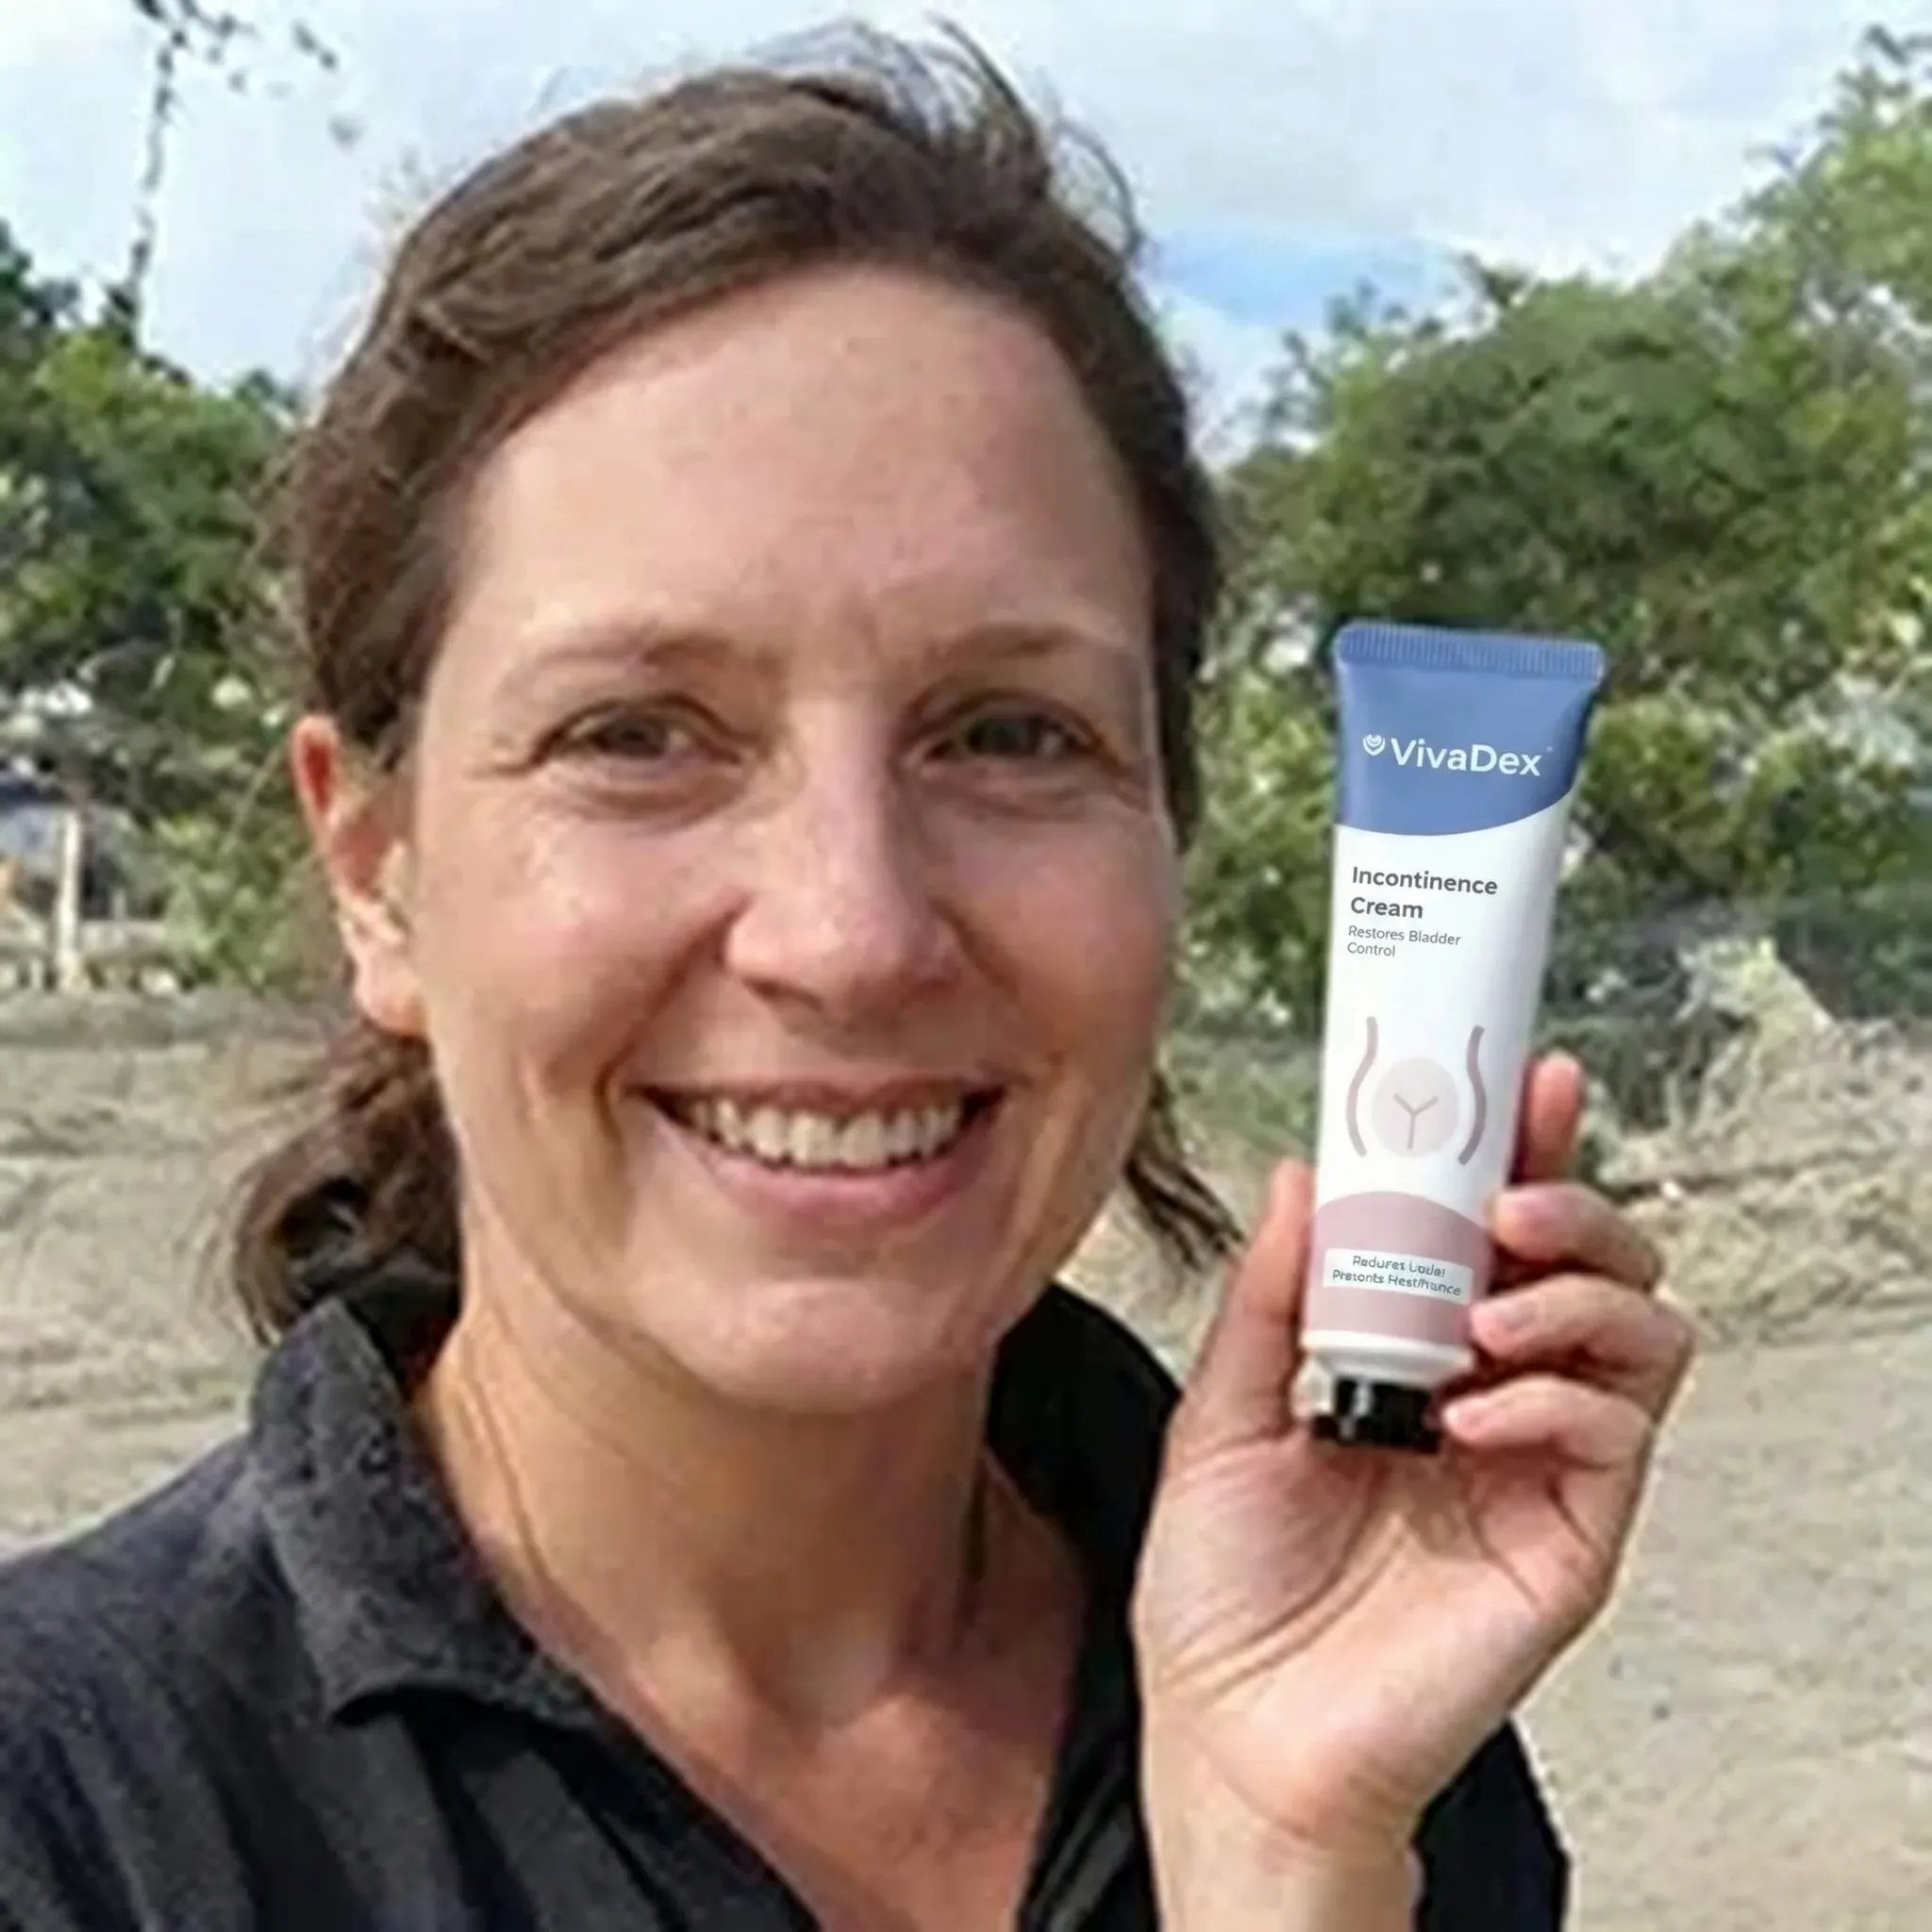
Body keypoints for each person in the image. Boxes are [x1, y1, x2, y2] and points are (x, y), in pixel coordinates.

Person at [0, 26, 1692, 1930]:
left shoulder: (1352, 1717)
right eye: (638, 733)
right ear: (375, 873)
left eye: (1009, 733)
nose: (849, 931)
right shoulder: (76, 1817)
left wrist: (1287, 1869)